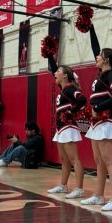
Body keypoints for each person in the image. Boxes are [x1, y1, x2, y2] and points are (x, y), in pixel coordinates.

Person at [81, 25, 112, 211]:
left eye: (99, 56)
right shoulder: (102, 74)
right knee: (98, 160)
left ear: (106, 59)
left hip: (106, 120)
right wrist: (91, 26)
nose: (96, 57)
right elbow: (95, 47)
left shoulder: (111, 74)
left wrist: (98, 107)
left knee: (108, 160)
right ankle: (99, 195)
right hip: (96, 122)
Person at [46, 60, 87, 198]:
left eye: (58, 71)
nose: (55, 73)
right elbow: (53, 69)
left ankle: (79, 189)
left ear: (65, 76)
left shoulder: (70, 88)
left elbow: (82, 99)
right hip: (61, 128)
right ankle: (63, 186)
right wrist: (49, 56)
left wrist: (72, 112)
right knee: (64, 160)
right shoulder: (64, 89)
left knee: (74, 159)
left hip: (68, 127)